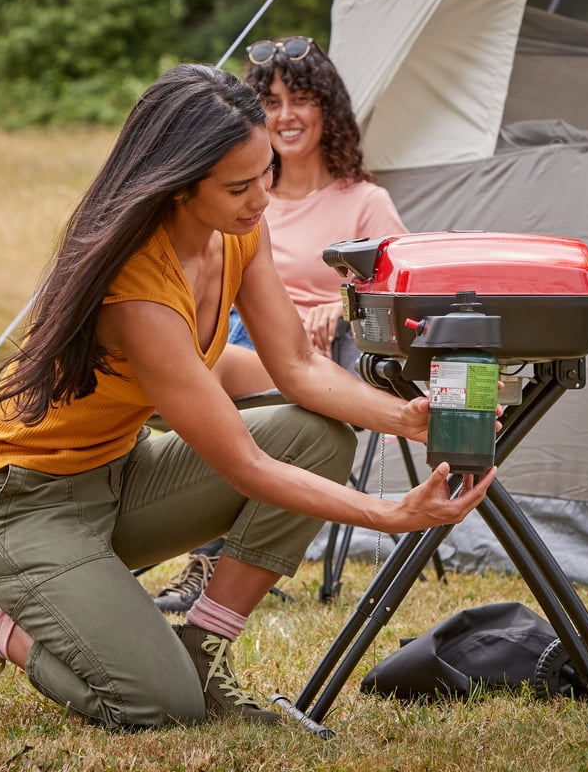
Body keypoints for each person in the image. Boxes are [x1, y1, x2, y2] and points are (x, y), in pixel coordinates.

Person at [0, 64, 495, 731]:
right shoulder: (137, 287)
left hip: (118, 475)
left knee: (318, 434)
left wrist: (404, 418)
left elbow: (297, 363)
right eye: (239, 186)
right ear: (178, 188)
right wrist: (387, 514)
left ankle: (204, 647)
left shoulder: (239, 229)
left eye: (266, 172)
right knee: (157, 705)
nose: (261, 199)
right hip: (26, 506)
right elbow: (245, 464)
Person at [153, 36, 410, 613]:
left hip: (317, 354)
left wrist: (338, 304)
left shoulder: (363, 201)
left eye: (301, 99)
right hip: (227, 342)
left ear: (329, 108)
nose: (286, 116)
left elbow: (399, 291)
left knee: (227, 352)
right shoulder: (226, 201)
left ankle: (209, 557)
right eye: (270, 103)